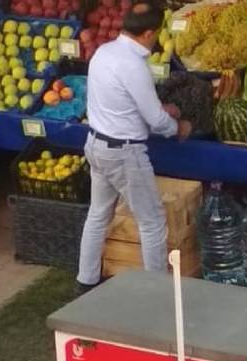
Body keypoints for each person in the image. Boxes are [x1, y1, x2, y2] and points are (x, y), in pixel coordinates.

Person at [76, 1, 193, 295]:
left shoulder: (104, 52)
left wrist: (158, 109)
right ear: (149, 34)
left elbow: (125, 102)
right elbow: (154, 119)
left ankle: (85, 281)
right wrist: (177, 127)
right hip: (124, 153)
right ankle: (156, 291)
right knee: (152, 222)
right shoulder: (134, 65)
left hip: (96, 144)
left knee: (99, 213)